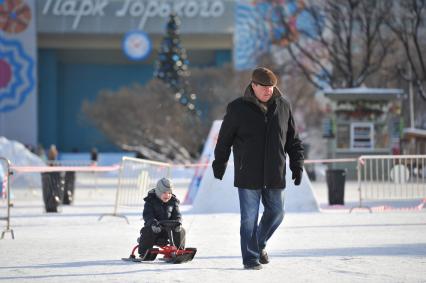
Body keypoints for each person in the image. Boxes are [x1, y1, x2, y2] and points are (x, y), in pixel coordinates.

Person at [212, 67, 304, 270]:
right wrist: (220, 164)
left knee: (277, 213)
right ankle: (251, 258)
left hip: (274, 173)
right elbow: (224, 140)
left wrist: (297, 164)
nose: (268, 90)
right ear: (253, 85)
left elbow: (292, 141)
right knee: (249, 220)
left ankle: (259, 243)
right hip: (248, 174)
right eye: (263, 86)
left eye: (271, 87)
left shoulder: (283, 107)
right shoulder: (237, 108)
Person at [138, 177, 186, 258]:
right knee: (147, 231)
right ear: (159, 191)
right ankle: (144, 252)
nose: (167, 195)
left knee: (181, 230)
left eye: (170, 193)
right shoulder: (150, 201)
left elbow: (177, 215)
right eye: (164, 192)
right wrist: (153, 223)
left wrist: (178, 222)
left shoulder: (173, 202)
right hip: (155, 229)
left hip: (169, 231)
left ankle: (178, 251)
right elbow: (147, 215)